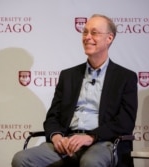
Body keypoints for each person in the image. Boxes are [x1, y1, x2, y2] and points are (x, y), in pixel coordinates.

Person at [12, 14, 138, 167]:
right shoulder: (68, 75)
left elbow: (125, 122)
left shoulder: (125, 77)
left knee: (91, 162)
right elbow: (53, 116)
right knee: (21, 159)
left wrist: (91, 136)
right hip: (67, 142)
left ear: (109, 38)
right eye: (85, 32)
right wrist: (57, 137)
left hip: (102, 143)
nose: (87, 37)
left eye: (94, 32)